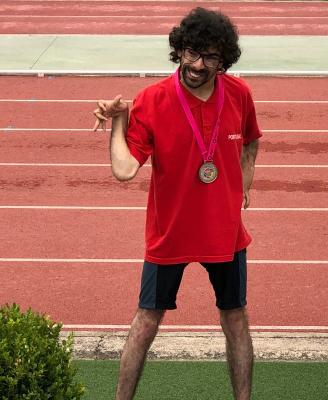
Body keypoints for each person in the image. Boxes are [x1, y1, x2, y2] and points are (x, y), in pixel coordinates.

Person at [92, 7, 260, 400]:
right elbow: (124, 170)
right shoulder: (152, 100)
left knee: (235, 319)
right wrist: (119, 123)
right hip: (170, 234)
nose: (199, 65)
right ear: (179, 50)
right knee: (147, 320)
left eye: (211, 57)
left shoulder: (239, 94)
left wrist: (245, 182)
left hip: (225, 234)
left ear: (223, 60)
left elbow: (251, 140)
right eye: (192, 53)